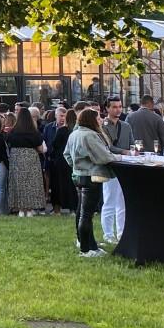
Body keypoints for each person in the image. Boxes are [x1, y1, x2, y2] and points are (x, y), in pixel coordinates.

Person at [64, 108, 118, 256]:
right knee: (87, 215)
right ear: (91, 120)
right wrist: (120, 158)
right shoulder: (90, 135)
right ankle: (86, 250)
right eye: (98, 117)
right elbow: (103, 157)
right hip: (91, 177)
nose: (100, 120)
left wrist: (76, 165)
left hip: (78, 176)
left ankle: (90, 245)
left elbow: (66, 155)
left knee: (82, 212)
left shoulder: (74, 134)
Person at [99, 97, 133, 241]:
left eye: (119, 106)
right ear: (107, 108)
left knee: (122, 201)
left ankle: (121, 232)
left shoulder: (126, 126)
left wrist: (132, 151)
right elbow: (107, 147)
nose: (118, 109)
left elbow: (132, 143)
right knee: (109, 201)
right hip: (110, 167)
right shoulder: (102, 126)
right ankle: (108, 234)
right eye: (114, 107)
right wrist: (125, 152)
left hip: (125, 166)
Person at [49, 108, 79, 214]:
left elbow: (54, 144)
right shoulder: (76, 131)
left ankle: (58, 208)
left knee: (59, 185)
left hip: (61, 161)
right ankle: (73, 208)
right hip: (73, 160)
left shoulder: (62, 130)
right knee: (72, 185)